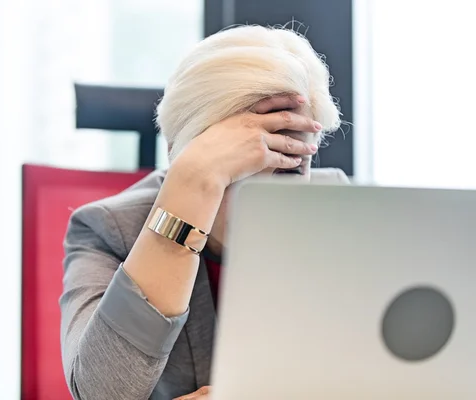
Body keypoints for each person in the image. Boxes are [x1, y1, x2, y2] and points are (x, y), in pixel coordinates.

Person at [60, 25, 347, 400]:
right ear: (181, 159)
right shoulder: (107, 231)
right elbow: (102, 394)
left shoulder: (342, 215)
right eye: (233, 171)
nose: (262, 199)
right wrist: (194, 189)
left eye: (290, 166)